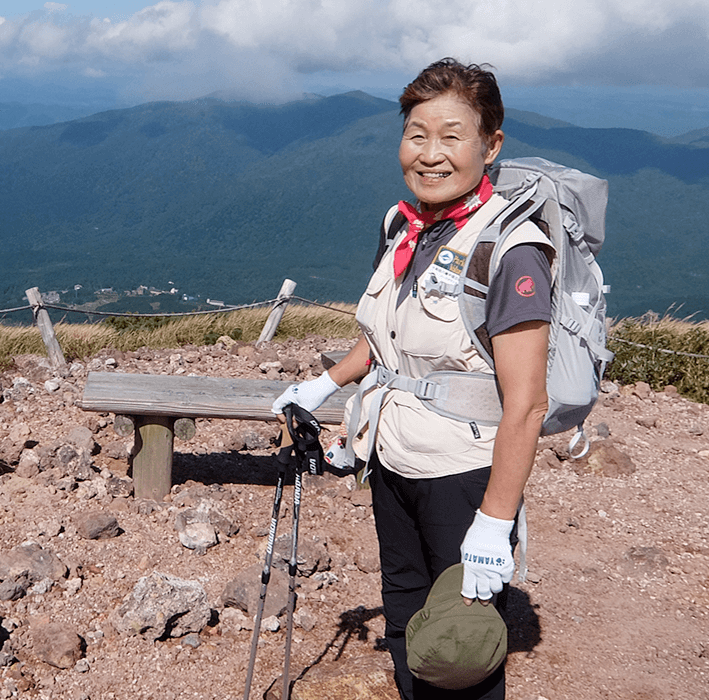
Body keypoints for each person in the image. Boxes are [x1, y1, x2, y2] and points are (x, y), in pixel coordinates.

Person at [272, 58, 553, 700]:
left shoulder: (511, 250)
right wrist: (324, 385)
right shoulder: (403, 226)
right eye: (416, 134)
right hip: (393, 455)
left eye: (451, 136)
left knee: (461, 644)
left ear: (491, 144)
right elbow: (387, 339)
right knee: (404, 611)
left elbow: (528, 404)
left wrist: (493, 522)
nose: (430, 154)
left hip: (464, 472)